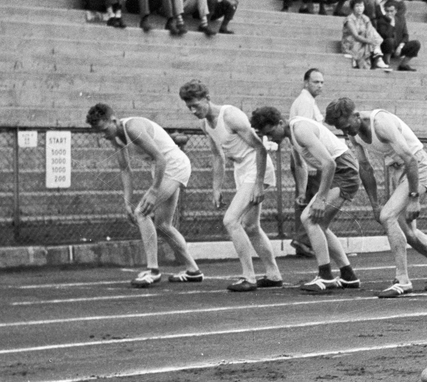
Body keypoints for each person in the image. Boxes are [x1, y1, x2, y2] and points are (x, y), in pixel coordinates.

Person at [326, 98, 427, 297]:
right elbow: (365, 168)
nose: (347, 132)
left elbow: (410, 158)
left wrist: (413, 198)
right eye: (342, 129)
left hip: (417, 168)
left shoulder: (381, 123)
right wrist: (375, 204)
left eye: (347, 126)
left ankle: (402, 280)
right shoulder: (354, 133)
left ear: (356, 116)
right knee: (408, 232)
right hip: (399, 172)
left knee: (388, 217)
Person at [179, 80, 284, 292]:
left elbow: (260, 149)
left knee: (230, 220)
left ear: (207, 99)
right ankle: (273, 275)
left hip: (256, 168)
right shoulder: (205, 125)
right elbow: (218, 156)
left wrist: (258, 184)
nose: (192, 110)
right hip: (241, 171)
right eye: (188, 106)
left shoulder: (231, 116)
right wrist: (216, 188)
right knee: (251, 226)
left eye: (196, 105)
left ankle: (249, 276)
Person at [85, 103, 202, 287]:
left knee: (142, 213)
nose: (104, 134)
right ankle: (193, 271)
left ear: (113, 120)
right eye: (99, 131)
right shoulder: (115, 138)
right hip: (162, 169)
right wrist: (127, 203)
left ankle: (153, 271)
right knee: (163, 225)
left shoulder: (133, 128)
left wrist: (154, 191)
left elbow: (160, 158)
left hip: (174, 166)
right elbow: (125, 169)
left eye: (105, 129)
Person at [249, 106, 362, 293]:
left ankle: (325, 276)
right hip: (339, 172)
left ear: (279, 123)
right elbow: (301, 164)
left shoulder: (300, 129)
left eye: (270, 133)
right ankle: (348, 275)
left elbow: (329, 163)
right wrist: (302, 191)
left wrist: (321, 198)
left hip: (344, 172)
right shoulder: (292, 134)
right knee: (319, 225)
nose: (270, 138)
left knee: (309, 218)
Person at [287, 68, 326, 259]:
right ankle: (303, 238)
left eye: (321, 82)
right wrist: (307, 165)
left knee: (308, 199)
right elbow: (302, 133)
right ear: (306, 83)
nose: (319, 85)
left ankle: (303, 239)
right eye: (315, 82)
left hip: (310, 158)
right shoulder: (304, 102)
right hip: (308, 159)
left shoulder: (310, 102)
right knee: (309, 199)